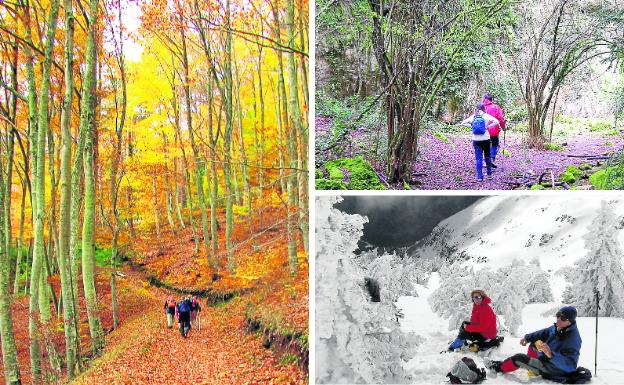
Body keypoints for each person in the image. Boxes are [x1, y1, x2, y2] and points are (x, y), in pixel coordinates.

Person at [485, 306, 582, 383]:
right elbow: (544, 332)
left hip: (554, 370)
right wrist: (527, 338)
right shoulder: (558, 327)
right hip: (548, 359)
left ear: (570, 321)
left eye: (563, 318)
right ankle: (532, 369)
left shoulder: (573, 339)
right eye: (558, 315)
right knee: (534, 344)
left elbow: (570, 365)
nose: (558, 319)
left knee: (518, 358)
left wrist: (551, 354)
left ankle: (497, 367)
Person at [459, 103, 500, 181]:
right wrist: (488, 127)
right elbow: (497, 121)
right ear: (484, 108)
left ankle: (480, 177)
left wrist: (472, 126)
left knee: (478, 159)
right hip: (486, 139)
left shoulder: (473, 117)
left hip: (476, 140)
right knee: (487, 157)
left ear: (477, 109)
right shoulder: (487, 116)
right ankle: (489, 174)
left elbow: (463, 123)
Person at [482, 93, 506, 168]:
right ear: (491, 100)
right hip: (493, 130)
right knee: (495, 145)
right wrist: (503, 127)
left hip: (483, 130)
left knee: (485, 146)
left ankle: (485, 161)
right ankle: (491, 158)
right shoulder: (496, 107)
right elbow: (501, 119)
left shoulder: (481, 107)